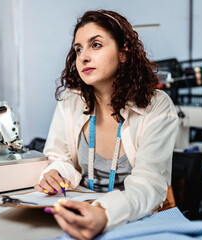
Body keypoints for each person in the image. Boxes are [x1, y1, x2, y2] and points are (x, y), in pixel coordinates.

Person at [34, 9, 179, 240]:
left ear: (123, 53)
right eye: (78, 49)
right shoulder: (71, 100)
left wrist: (104, 213)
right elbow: (59, 158)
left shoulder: (157, 106)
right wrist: (55, 173)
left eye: (96, 45)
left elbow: (149, 184)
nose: (83, 57)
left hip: (138, 219)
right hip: (83, 211)